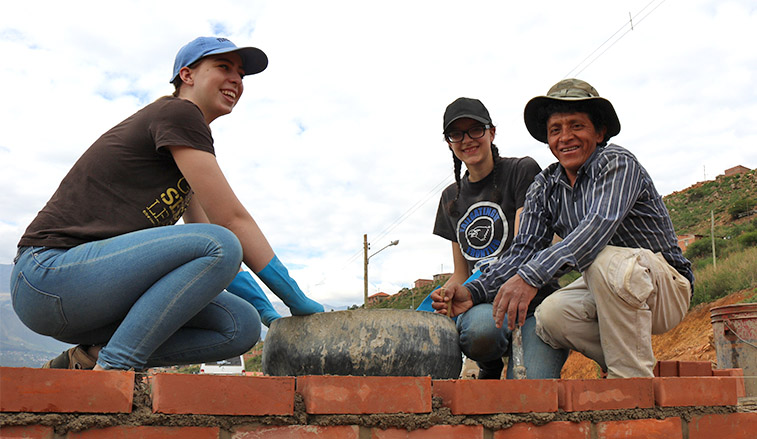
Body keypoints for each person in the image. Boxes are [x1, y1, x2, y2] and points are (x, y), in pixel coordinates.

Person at [10, 36, 323, 371]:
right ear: (187, 76)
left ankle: (87, 360)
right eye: (223, 67)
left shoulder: (183, 154)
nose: (236, 79)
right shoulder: (178, 112)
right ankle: (114, 370)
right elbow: (229, 225)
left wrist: (264, 311)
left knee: (239, 325)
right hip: (47, 276)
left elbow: (212, 251)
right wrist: (295, 297)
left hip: (94, 299)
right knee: (220, 242)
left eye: (241, 75)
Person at [434, 79, 693, 378]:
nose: (565, 137)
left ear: (599, 132)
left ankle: (631, 386)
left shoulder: (616, 163)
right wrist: (473, 290)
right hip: (607, 291)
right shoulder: (546, 186)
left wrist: (530, 277)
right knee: (551, 315)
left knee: (605, 259)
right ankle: (628, 362)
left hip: (665, 289)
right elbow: (523, 251)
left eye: (577, 126)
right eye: (556, 130)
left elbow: (594, 231)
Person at [421, 97, 568, 379]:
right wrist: (444, 296)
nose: (467, 140)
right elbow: (462, 273)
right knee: (480, 331)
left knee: (530, 395)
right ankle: (488, 363)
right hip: (484, 306)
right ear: (449, 142)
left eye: (475, 129)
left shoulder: (521, 171)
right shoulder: (450, 198)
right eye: (456, 134)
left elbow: (528, 248)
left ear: (492, 132)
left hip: (535, 303)